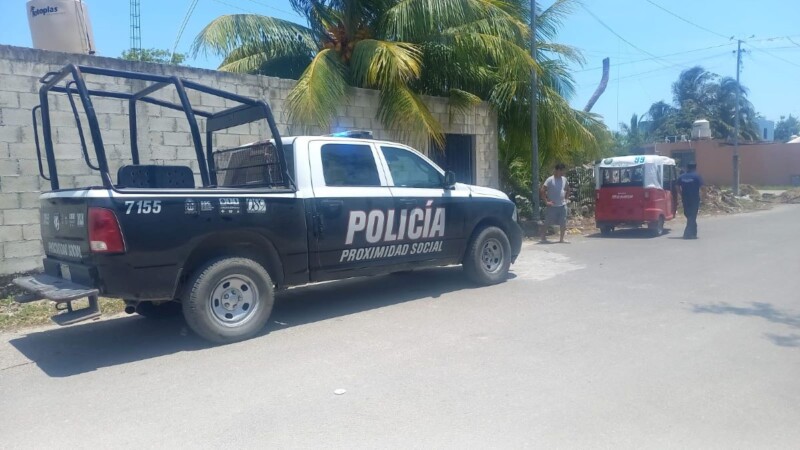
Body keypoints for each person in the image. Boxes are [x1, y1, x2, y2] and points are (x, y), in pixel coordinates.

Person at [539, 163, 571, 243]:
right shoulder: (550, 180)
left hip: (562, 205)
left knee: (563, 222)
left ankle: (561, 239)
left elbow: (568, 189)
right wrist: (546, 201)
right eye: (561, 171)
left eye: (563, 171)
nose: (563, 173)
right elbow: (542, 190)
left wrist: (566, 199)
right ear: (557, 170)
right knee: (547, 222)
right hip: (552, 205)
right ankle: (543, 237)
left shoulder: (564, 179)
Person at [676, 163, 704, 239]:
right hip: (694, 199)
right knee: (692, 216)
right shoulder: (697, 176)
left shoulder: (681, 177)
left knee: (688, 215)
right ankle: (688, 234)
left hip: (685, 199)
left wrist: (681, 194)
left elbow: (677, 187)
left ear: (687, 168)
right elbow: (702, 188)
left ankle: (693, 233)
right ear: (695, 168)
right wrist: (703, 197)